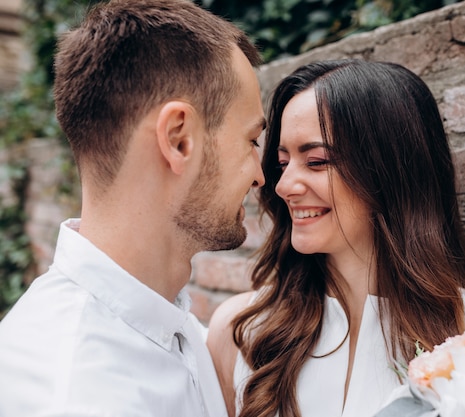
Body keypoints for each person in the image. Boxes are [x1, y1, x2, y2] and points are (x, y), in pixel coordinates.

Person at [0, 1, 266, 416]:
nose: (260, 175)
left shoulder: (165, 320)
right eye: (252, 141)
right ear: (179, 139)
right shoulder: (78, 396)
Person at [207, 59, 465, 417]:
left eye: (316, 161)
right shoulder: (240, 331)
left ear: (389, 172)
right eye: (283, 163)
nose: (284, 186)